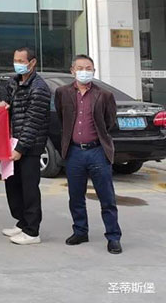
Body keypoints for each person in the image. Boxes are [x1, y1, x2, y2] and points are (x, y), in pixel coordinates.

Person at [55, 54, 122, 254]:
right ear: (72, 71)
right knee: (75, 196)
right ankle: (80, 231)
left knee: (107, 197)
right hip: (74, 151)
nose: (84, 71)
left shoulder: (104, 95)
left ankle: (113, 237)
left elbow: (109, 122)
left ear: (94, 71)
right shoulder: (62, 93)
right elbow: (61, 117)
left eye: (88, 68)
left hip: (97, 151)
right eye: (80, 68)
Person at [0, 46, 50, 245]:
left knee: (29, 188)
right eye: (15, 60)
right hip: (11, 142)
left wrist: (20, 148)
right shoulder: (13, 82)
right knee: (13, 185)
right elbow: (7, 105)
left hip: (29, 147)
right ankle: (22, 222)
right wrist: (3, 106)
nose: (17, 64)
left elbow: (33, 122)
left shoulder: (39, 88)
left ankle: (32, 231)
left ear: (32, 62)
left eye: (21, 61)